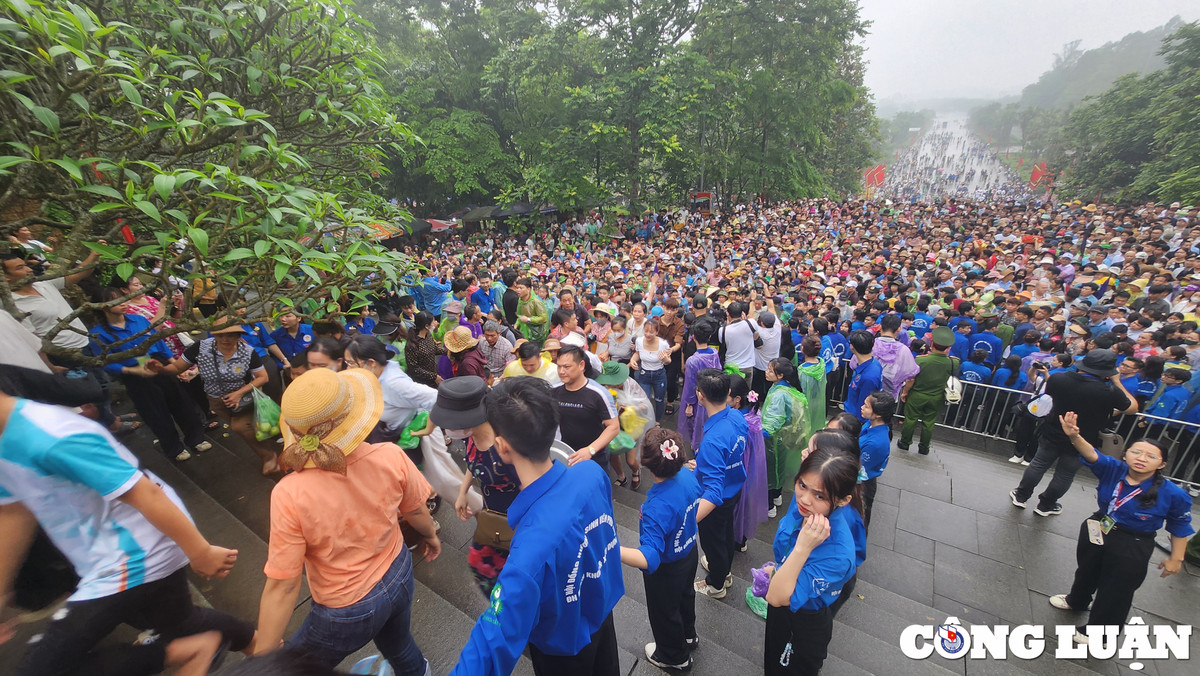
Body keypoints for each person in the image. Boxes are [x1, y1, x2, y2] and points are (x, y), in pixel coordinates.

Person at [0, 390, 255, 676]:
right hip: (103, 558)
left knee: (40, 669)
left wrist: (200, 551)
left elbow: (143, 491)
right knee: (181, 623)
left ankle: (189, 651)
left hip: (135, 555)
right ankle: (257, 644)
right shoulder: (6, 442)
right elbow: (12, 513)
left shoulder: (50, 433)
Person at [252, 367, 440, 675]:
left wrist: (263, 660)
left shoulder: (289, 493)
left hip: (347, 607)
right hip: (399, 570)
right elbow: (417, 511)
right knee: (399, 644)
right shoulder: (391, 455)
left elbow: (284, 586)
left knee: (295, 669)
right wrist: (430, 536)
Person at [450, 377, 624, 676]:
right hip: (601, 611)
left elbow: (491, 644)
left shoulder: (527, 553)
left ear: (502, 446)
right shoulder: (592, 473)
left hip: (563, 645)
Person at [1050, 412, 1193, 646]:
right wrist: (1074, 436)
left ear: (1162, 464)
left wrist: (1176, 559)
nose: (1141, 458)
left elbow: (1180, 526)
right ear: (1125, 454)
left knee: (1117, 589)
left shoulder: (1174, 494)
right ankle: (1077, 600)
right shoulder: (1114, 469)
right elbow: (1092, 454)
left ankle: (1100, 633)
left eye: (1151, 456)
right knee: (1087, 569)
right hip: (1100, 526)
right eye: (1136, 452)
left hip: (1133, 543)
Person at [763, 436, 866, 676]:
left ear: (842, 499)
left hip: (803, 621)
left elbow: (776, 596)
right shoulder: (805, 506)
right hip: (783, 606)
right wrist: (777, 569)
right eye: (801, 485)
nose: (805, 499)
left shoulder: (838, 554)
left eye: (820, 495)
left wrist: (802, 548)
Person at [88, 287, 210, 462]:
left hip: (157, 362)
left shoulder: (138, 320)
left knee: (181, 403)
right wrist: (131, 370)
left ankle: (196, 438)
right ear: (102, 306)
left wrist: (174, 365)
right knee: (155, 412)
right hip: (134, 372)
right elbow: (106, 362)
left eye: (123, 298)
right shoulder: (99, 334)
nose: (123, 303)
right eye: (115, 300)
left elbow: (158, 342)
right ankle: (173, 448)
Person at [1010, 349, 1138, 517]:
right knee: (1065, 474)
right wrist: (1117, 381)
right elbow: (1132, 408)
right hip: (1083, 439)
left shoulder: (1058, 379)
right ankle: (1046, 505)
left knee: (1038, 464)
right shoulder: (1109, 391)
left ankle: (1021, 495)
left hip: (1052, 431)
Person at [619, 427, 701, 672]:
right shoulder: (688, 477)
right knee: (686, 596)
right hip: (689, 552)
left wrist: (612, 550)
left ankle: (675, 657)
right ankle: (689, 635)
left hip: (667, 568)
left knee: (664, 611)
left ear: (647, 465)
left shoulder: (655, 507)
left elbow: (650, 557)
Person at [149, 321, 280, 474]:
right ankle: (268, 450)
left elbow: (262, 377)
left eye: (230, 335)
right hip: (216, 400)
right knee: (246, 430)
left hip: (244, 398)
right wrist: (161, 369)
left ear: (238, 335)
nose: (225, 339)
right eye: (220, 334)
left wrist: (239, 393)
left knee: (241, 428)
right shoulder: (201, 348)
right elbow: (178, 367)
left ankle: (269, 456)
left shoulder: (248, 352)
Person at [435, 376, 522, 596]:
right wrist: (463, 492)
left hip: (516, 517)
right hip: (491, 509)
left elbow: (530, 489)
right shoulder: (471, 436)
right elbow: (473, 463)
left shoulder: (506, 448)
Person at [693, 368, 749, 599]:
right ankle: (723, 571)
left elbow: (713, 492)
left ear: (700, 396)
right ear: (728, 393)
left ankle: (716, 584)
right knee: (725, 533)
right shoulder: (736, 415)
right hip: (734, 486)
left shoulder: (713, 441)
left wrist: (684, 520)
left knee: (712, 540)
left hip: (716, 498)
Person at [344, 335, 438, 444]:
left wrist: (428, 429)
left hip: (408, 437)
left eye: (351, 363)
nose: (348, 368)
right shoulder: (377, 375)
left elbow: (434, 397)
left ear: (371, 363)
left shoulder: (393, 382)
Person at [551, 345, 621, 469]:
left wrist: (590, 450)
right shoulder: (553, 390)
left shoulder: (599, 393)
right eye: (559, 366)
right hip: (565, 453)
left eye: (567, 367)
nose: (561, 371)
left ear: (581, 365)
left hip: (595, 456)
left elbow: (614, 427)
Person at [761, 358, 810, 517]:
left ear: (780, 375)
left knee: (769, 471)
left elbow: (770, 427)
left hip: (772, 441)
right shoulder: (787, 388)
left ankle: (769, 506)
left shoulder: (779, 395)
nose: (766, 372)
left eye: (770, 370)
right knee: (778, 469)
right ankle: (777, 496)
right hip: (782, 440)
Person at [898, 326, 957, 456]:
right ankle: (924, 447)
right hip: (937, 396)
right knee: (929, 423)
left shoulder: (920, 360)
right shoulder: (953, 363)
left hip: (917, 394)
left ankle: (905, 442)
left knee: (910, 419)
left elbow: (910, 380)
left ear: (932, 344)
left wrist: (905, 392)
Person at [729, 372, 769, 552]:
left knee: (738, 506)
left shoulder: (740, 422)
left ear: (737, 399)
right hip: (754, 467)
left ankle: (735, 540)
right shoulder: (753, 412)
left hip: (741, 469)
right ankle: (741, 539)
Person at [678, 319, 722, 448]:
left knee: (698, 428)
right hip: (714, 396)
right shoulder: (715, 353)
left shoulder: (693, 361)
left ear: (693, 337)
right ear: (709, 336)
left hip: (699, 399)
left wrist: (689, 404)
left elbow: (690, 385)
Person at [858, 390, 896, 528]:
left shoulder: (876, 443)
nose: (862, 407)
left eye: (867, 406)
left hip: (862, 484)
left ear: (878, 414)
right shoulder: (870, 424)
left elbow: (860, 470)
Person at [630, 317, 670, 421]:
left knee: (659, 399)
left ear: (657, 332)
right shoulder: (639, 341)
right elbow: (637, 354)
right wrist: (633, 360)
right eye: (646, 331)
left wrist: (665, 359)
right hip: (644, 373)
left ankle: (657, 421)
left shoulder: (663, 344)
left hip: (659, 374)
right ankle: (646, 420)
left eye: (651, 332)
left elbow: (668, 361)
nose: (648, 334)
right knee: (644, 400)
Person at [844, 330, 882, 424]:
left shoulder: (868, 377)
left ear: (852, 347)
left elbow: (864, 406)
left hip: (855, 421)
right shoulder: (873, 363)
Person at [405, 311, 444, 388]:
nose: (436, 323)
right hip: (423, 382)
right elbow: (414, 369)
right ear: (426, 326)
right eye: (433, 322)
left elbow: (433, 349)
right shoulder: (412, 345)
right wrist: (434, 376)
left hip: (434, 373)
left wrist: (448, 352)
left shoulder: (428, 335)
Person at [513, 277, 549, 345]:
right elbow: (520, 315)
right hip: (524, 333)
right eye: (517, 288)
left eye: (521, 288)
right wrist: (516, 324)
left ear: (528, 289)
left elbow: (544, 318)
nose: (518, 290)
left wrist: (529, 319)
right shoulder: (520, 300)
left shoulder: (535, 301)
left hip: (536, 336)